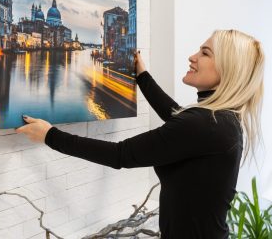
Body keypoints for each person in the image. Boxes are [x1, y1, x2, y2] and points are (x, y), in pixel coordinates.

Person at [16, 29, 265, 239]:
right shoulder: (222, 119)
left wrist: (50, 135)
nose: (192, 57)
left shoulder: (207, 124)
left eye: (205, 53)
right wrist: (143, 76)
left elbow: (120, 154)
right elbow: (177, 116)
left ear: (228, 70)